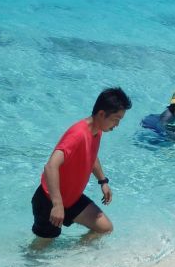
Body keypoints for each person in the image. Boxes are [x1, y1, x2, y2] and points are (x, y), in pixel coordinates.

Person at [31, 87, 132, 240]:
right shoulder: (78, 134)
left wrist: (103, 181)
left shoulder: (96, 131)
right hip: (49, 200)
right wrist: (57, 205)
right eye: (116, 119)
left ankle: (73, 258)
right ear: (101, 114)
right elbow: (51, 166)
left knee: (105, 228)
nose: (117, 124)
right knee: (41, 250)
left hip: (72, 199)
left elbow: (91, 156)